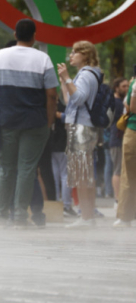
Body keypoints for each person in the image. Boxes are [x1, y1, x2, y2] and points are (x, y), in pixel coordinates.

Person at [0, 19, 58, 228]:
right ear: (34, 37)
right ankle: (20, 217)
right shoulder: (43, 59)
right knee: (27, 169)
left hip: (7, 121)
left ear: (15, 35)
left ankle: (0, 216)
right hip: (35, 122)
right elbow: (52, 95)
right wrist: (49, 121)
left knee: (6, 169)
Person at [57, 40, 101, 229]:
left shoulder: (85, 75)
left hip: (81, 127)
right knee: (84, 173)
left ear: (85, 54)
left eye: (75, 52)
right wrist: (64, 82)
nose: (71, 55)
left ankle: (86, 217)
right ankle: (87, 215)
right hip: (83, 126)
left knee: (82, 174)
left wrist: (67, 78)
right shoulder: (87, 74)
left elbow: (79, 98)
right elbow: (70, 102)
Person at [114, 75, 136, 227]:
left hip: (133, 132)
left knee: (128, 176)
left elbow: (131, 108)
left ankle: (125, 217)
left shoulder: (134, 83)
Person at [51, 98, 77, 217]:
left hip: (51, 144)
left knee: (55, 176)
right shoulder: (63, 105)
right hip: (63, 143)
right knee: (65, 175)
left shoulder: (46, 104)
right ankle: (66, 205)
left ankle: (56, 204)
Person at [109, 77, 128, 202]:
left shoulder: (121, 101)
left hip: (120, 139)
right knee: (117, 169)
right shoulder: (116, 102)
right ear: (117, 88)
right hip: (117, 139)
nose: (126, 89)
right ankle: (117, 198)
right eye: (123, 86)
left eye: (127, 86)